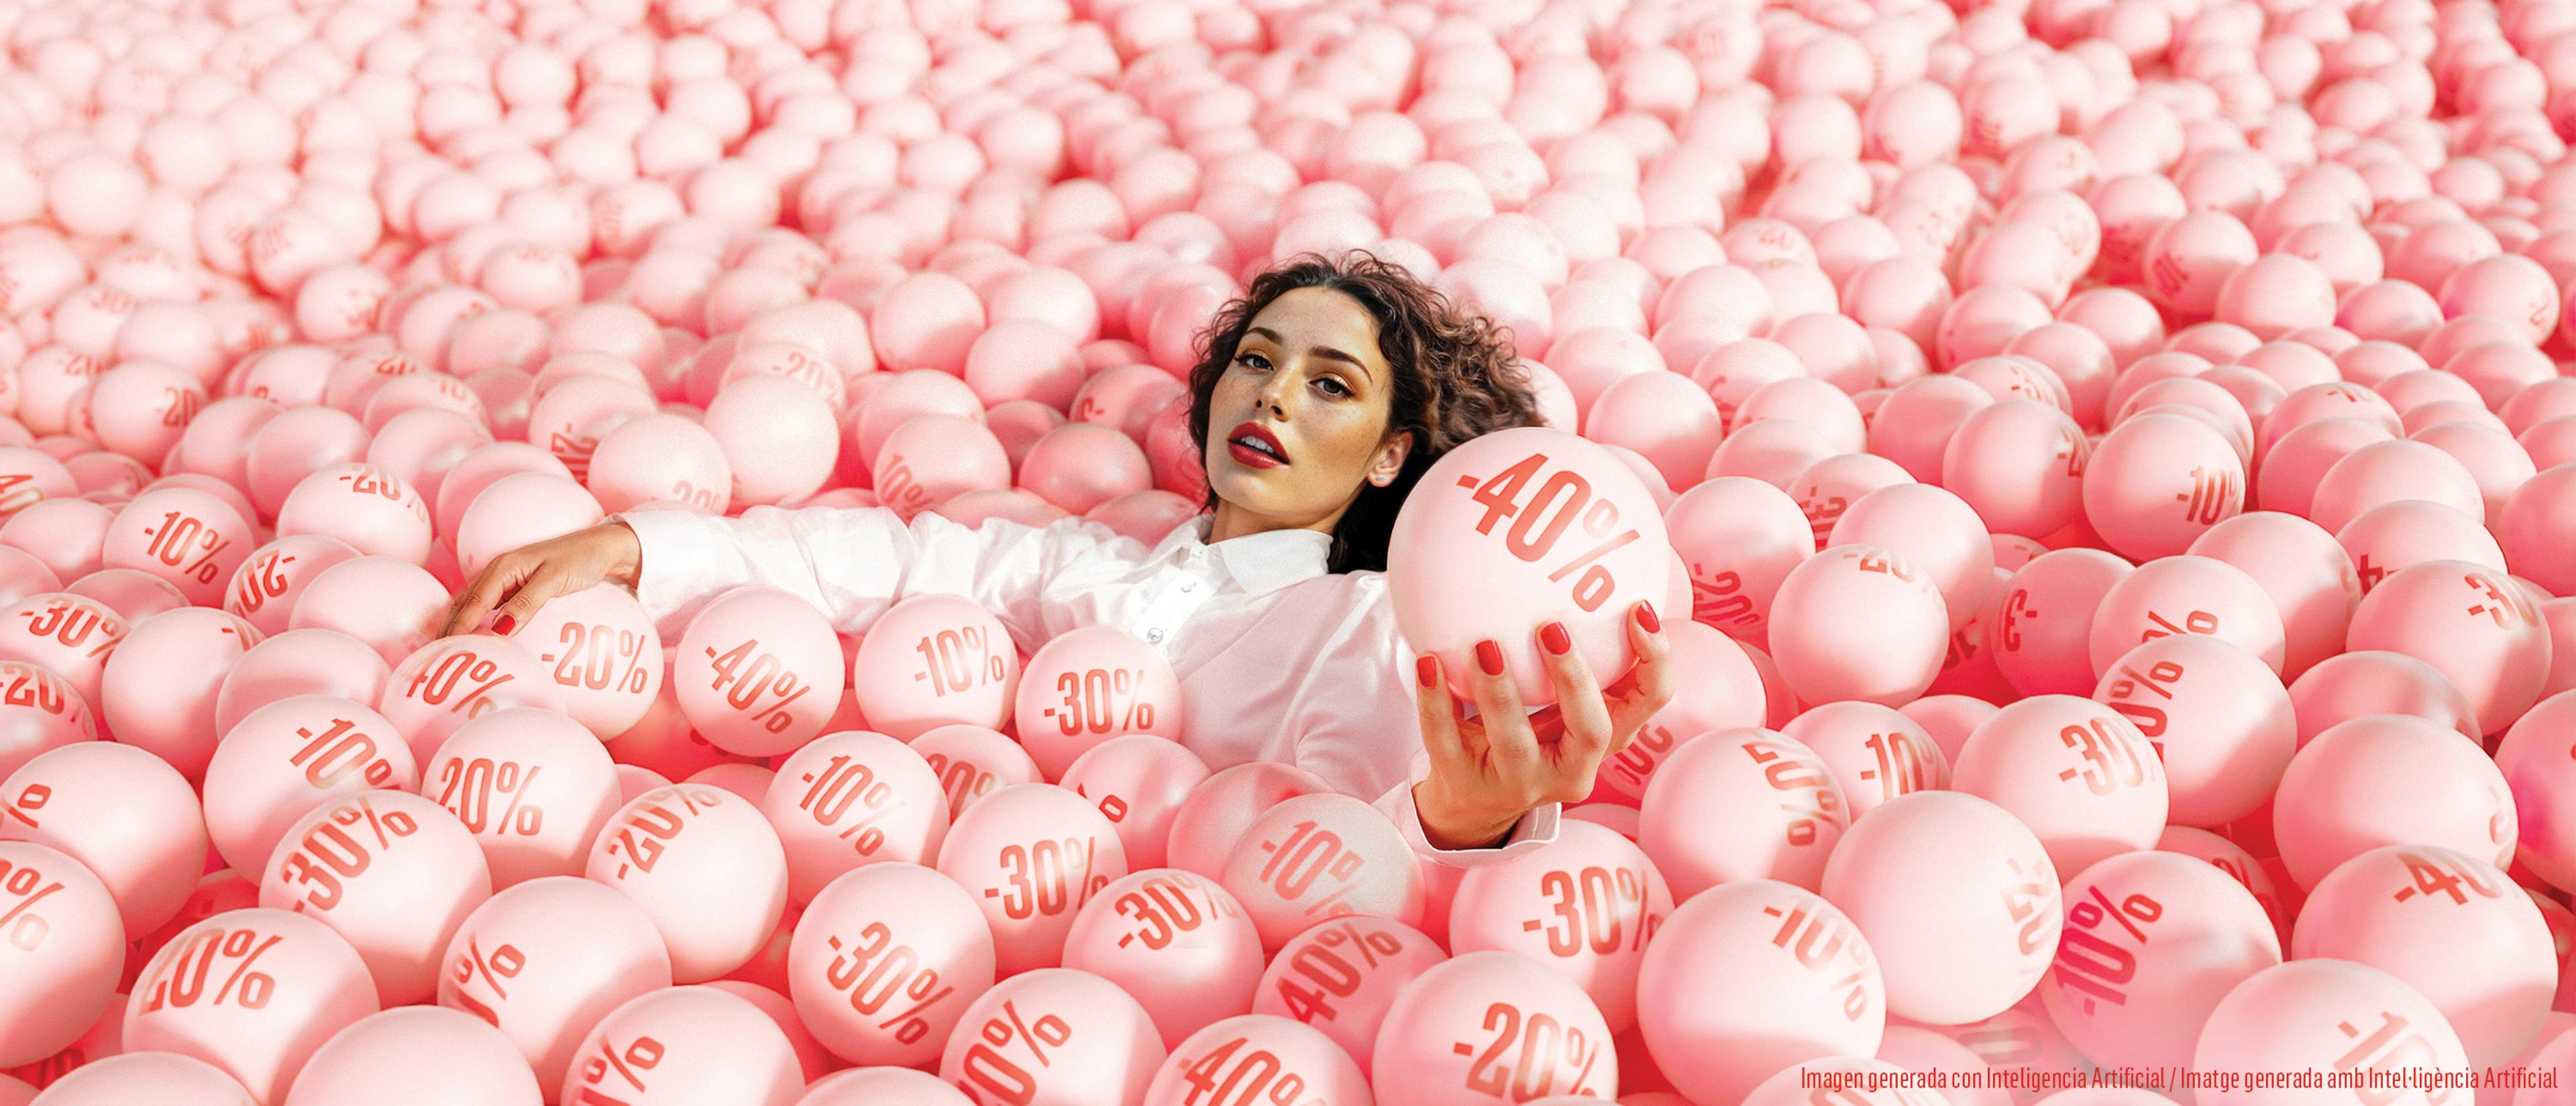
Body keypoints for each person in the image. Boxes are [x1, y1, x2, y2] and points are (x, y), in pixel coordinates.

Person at [439, 251, 1675, 867]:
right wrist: (635, 544)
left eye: (1331, 383)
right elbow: (892, 559)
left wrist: (1464, 824)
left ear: (1394, 454)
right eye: (1256, 359)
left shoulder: (1365, 625)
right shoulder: (1090, 569)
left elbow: (1347, 860)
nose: (1273, 395)